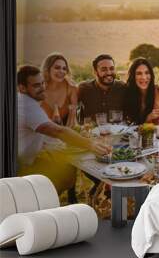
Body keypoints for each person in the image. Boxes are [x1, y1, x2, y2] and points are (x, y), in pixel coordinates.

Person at [17, 65, 111, 194]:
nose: (42, 88)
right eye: (36, 85)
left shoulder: (21, 100)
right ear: (22, 88)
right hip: (21, 168)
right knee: (64, 172)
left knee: (66, 165)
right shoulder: (27, 105)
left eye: (42, 83)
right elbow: (58, 131)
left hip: (23, 161)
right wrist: (91, 144)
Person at [78, 54, 126, 122]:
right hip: (90, 131)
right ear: (95, 72)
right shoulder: (84, 88)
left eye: (111, 68)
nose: (109, 72)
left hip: (118, 131)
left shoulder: (123, 87)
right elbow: (70, 106)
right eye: (104, 69)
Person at [40, 53, 78, 127]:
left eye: (64, 68)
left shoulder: (71, 88)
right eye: (57, 67)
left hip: (64, 133)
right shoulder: (39, 89)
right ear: (48, 69)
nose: (61, 71)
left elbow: (72, 120)